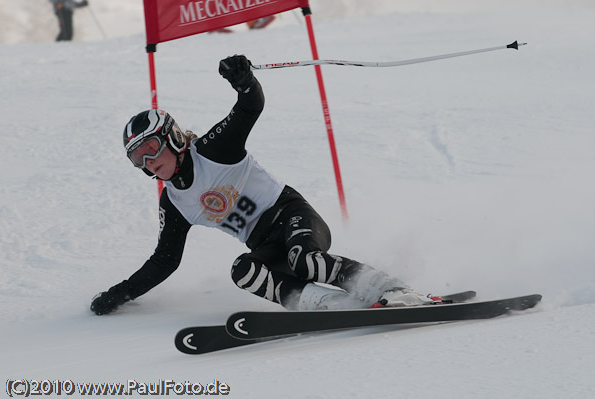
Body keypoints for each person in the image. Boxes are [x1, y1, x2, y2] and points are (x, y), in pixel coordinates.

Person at [90, 55, 441, 316]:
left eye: (150, 150)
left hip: (292, 217)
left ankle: (393, 288)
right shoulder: (174, 202)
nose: (148, 163)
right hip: (265, 244)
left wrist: (245, 81)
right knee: (243, 270)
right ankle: (328, 304)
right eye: (138, 159)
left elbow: (249, 107)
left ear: (174, 137)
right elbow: (164, 261)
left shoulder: (212, 150)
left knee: (303, 260)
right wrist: (119, 294)